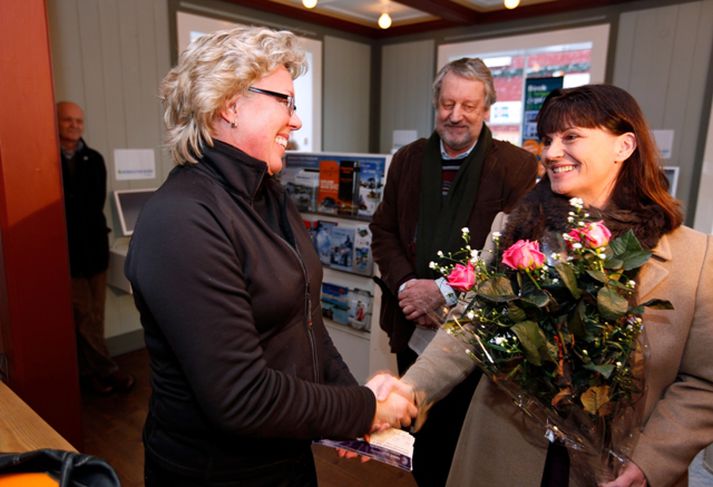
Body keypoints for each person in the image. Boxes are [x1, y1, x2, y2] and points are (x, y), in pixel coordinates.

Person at [124, 27, 416, 487]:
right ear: (228, 104)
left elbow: (307, 324)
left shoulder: (269, 195)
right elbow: (241, 397)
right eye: (285, 101)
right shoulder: (181, 220)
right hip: (215, 473)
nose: (295, 121)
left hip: (284, 455)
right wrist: (366, 409)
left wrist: (351, 404)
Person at [380, 84, 713, 486]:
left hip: (615, 470)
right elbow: (468, 330)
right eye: (549, 139)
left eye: (571, 137)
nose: (552, 153)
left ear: (624, 146)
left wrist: (650, 461)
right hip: (503, 456)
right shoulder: (515, 231)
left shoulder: (695, 260)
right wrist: (408, 390)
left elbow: (703, 381)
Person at [369, 57, 537, 486]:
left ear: (487, 109)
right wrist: (409, 286)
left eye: (468, 105)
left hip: (474, 334)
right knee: (423, 438)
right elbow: (384, 230)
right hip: (411, 325)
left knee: (466, 442)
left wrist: (442, 292)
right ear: (435, 104)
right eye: (447, 103)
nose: (455, 115)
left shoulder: (515, 167)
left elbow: (511, 251)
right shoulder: (407, 160)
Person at [58, 101, 135, 395]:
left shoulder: (95, 159)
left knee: (95, 316)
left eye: (78, 120)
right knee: (84, 315)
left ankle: (90, 375)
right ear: (56, 122)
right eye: (67, 120)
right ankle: (107, 370)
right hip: (68, 255)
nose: (74, 125)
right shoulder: (48, 160)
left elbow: (90, 206)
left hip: (94, 251)